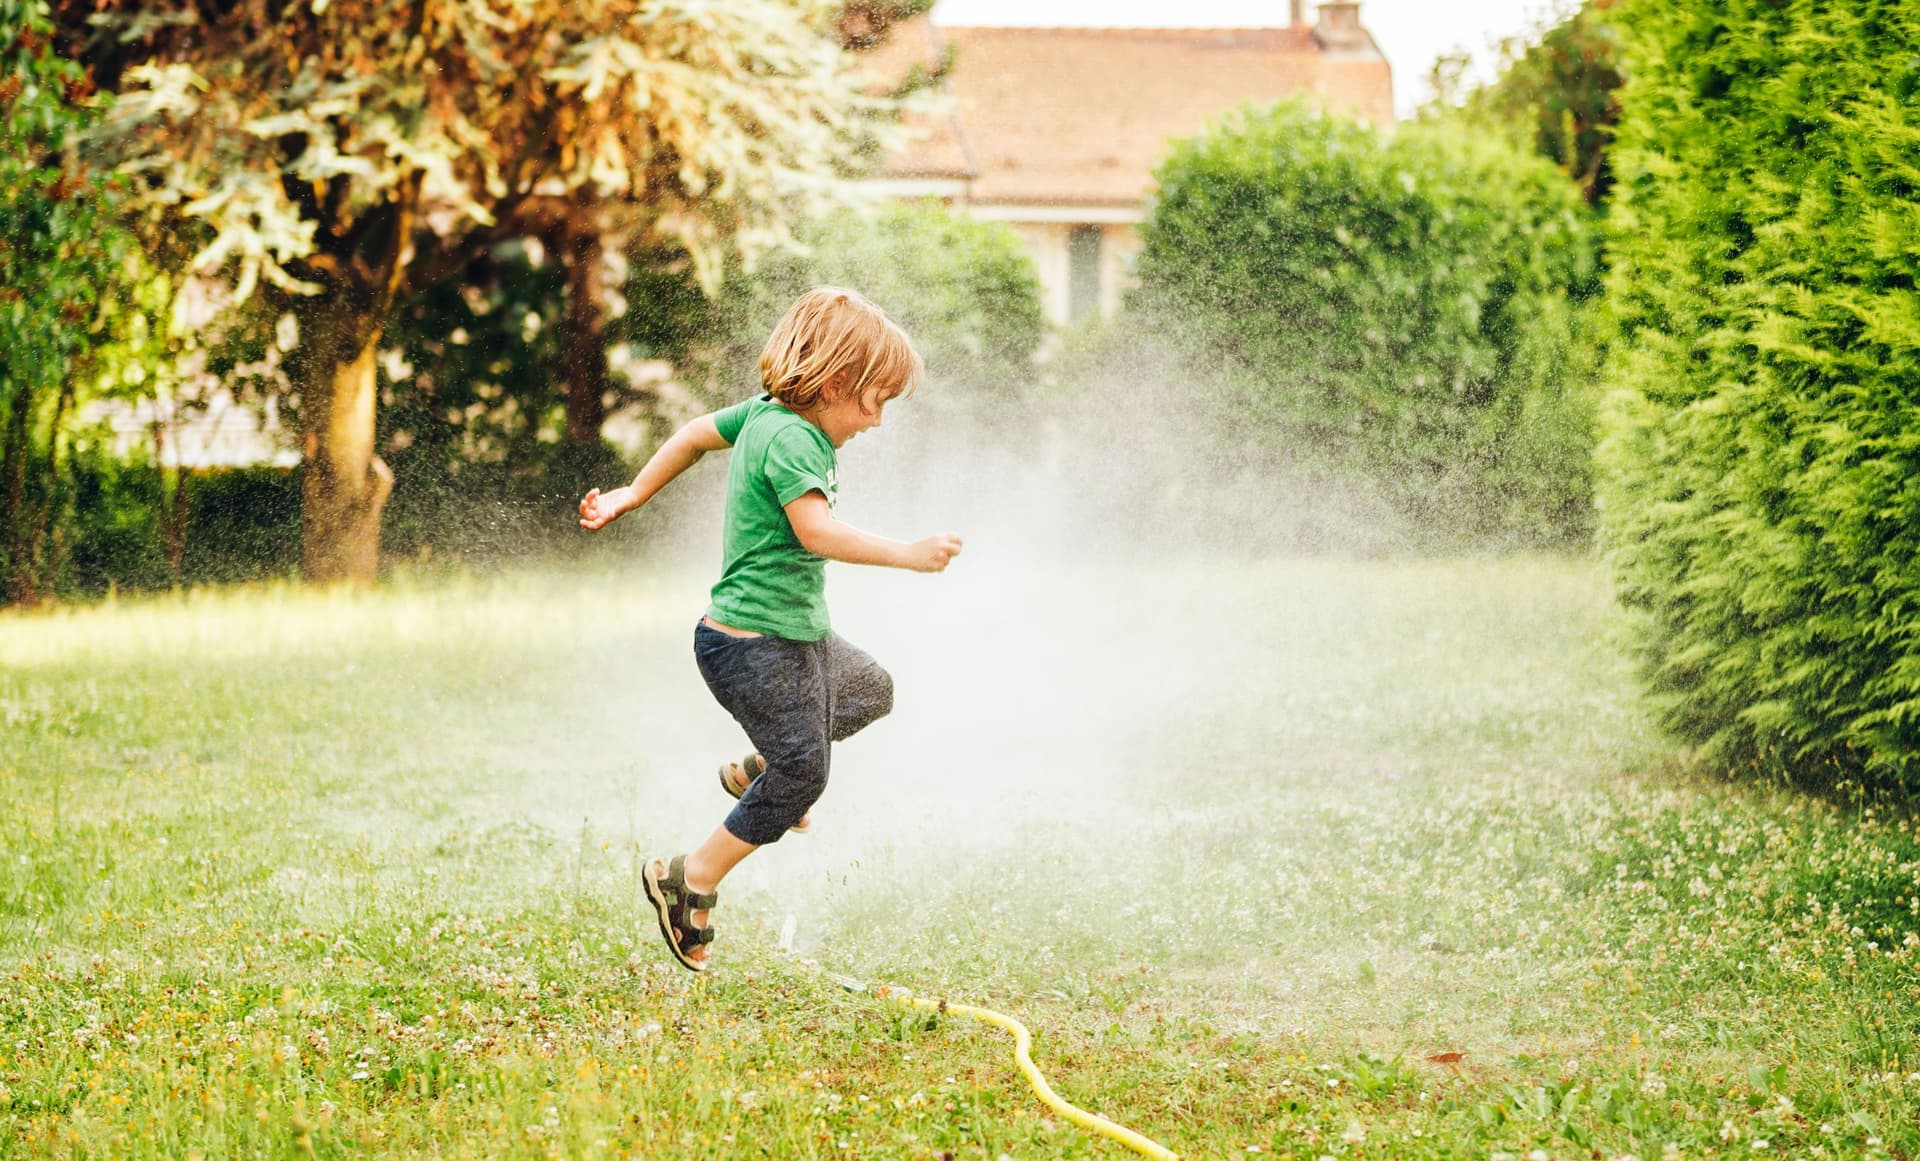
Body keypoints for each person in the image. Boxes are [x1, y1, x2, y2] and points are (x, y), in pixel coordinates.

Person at [577, 287, 963, 971]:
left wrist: (633, 492)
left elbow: (695, 434)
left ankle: (760, 771)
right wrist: (907, 553)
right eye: (877, 399)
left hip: (793, 638)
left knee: (871, 689)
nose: (877, 420)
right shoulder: (791, 437)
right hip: (753, 647)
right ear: (838, 381)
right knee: (806, 773)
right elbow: (814, 531)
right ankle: (688, 878)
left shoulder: (766, 417)